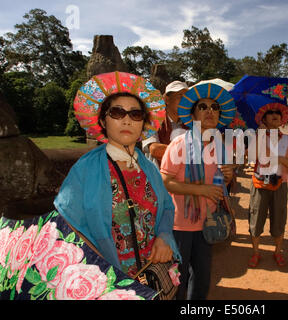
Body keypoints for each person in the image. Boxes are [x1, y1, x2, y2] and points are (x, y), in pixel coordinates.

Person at [54, 71, 181, 280]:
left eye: (135, 114)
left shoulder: (149, 168)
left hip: (151, 276)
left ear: (143, 124)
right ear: (103, 121)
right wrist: (102, 270)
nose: (127, 120)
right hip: (106, 279)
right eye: (117, 112)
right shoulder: (85, 169)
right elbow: (68, 225)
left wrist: (164, 237)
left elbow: (167, 207)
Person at [160, 82, 236, 300]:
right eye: (203, 106)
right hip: (180, 226)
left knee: (202, 279)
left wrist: (228, 177)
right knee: (178, 281)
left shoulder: (220, 146)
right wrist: (201, 190)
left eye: (214, 107)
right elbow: (165, 181)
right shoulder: (179, 144)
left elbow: (220, 186)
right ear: (193, 114)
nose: (210, 111)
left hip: (207, 223)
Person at [248, 104, 288, 268]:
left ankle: (278, 251)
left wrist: (279, 159)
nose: (275, 115)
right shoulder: (258, 135)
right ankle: (256, 253)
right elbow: (252, 156)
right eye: (270, 113)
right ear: (263, 118)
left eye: (278, 113)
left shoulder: (287, 139)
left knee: (279, 218)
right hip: (260, 183)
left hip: (280, 184)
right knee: (256, 218)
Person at [142, 81, 189, 168]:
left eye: (186, 97)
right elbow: (154, 149)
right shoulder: (152, 121)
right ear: (167, 99)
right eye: (180, 96)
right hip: (156, 177)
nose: (184, 101)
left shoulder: (189, 124)